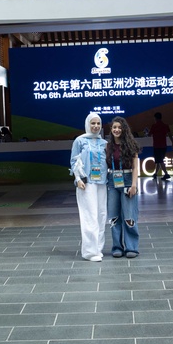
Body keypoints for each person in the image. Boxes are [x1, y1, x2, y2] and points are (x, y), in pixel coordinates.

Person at [70, 112, 108, 262]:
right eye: (93, 123)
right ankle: (90, 252)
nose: (96, 126)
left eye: (98, 123)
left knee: (101, 215)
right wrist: (78, 178)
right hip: (87, 183)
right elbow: (74, 161)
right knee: (89, 216)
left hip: (102, 183)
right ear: (87, 124)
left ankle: (98, 248)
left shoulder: (104, 143)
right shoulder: (80, 141)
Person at [106, 117, 141, 258]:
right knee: (114, 217)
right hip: (112, 182)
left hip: (127, 182)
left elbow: (135, 168)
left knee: (129, 216)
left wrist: (134, 185)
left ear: (124, 129)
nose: (117, 130)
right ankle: (117, 247)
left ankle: (131, 247)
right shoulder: (107, 147)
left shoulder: (131, 145)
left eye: (119, 127)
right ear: (111, 129)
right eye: (114, 127)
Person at [149, 112, 173, 180]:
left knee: (160, 160)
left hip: (157, 146)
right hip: (164, 146)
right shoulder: (165, 125)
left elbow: (149, 134)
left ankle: (166, 174)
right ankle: (155, 173)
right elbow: (169, 134)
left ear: (155, 118)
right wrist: (172, 143)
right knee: (159, 160)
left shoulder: (154, 126)